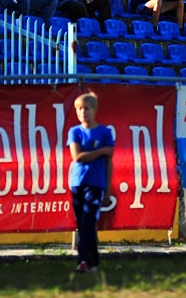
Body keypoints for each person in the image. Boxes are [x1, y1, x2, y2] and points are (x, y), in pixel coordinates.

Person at [67, 92, 114, 274]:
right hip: (78, 183)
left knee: (87, 222)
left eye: (86, 108)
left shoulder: (104, 132)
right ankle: (93, 261)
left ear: (94, 110)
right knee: (83, 224)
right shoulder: (75, 132)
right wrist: (101, 151)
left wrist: (108, 190)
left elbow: (109, 161)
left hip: (96, 184)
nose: (83, 112)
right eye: (79, 109)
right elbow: (77, 157)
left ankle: (83, 261)